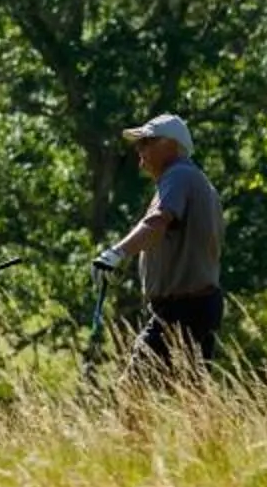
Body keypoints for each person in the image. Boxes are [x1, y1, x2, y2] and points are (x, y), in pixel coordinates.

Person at [93, 112, 225, 381]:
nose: (139, 150)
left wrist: (115, 254)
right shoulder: (192, 179)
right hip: (195, 306)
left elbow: (158, 221)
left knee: (132, 396)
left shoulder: (179, 175)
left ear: (171, 145)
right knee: (193, 399)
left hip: (182, 310)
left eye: (147, 142)